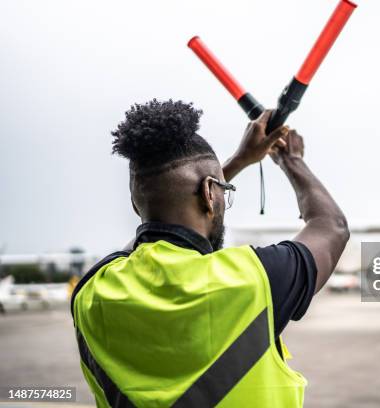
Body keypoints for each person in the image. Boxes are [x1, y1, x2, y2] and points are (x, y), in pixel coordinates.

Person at [71, 99, 349, 407]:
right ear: (209, 194)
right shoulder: (252, 279)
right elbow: (331, 226)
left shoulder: (92, 292)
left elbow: (148, 230)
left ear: (135, 203)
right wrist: (290, 158)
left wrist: (232, 166)